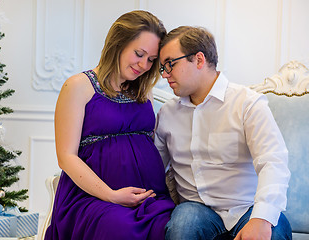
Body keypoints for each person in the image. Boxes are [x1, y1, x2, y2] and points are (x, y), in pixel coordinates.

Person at [44, 10, 175, 240]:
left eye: (151, 60)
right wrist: (112, 195)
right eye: (139, 54)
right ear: (118, 44)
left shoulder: (145, 91)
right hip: (92, 198)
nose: (144, 65)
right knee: (118, 228)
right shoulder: (78, 86)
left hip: (148, 197)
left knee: (175, 226)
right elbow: (66, 157)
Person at [155, 26, 292, 240]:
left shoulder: (247, 103)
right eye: (162, 67)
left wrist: (261, 219)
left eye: (170, 64)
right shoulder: (167, 114)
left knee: (273, 232)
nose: (164, 74)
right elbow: (153, 170)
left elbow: (273, 162)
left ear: (199, 60)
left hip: (247, 207)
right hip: (195, 209)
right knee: (183, 226)